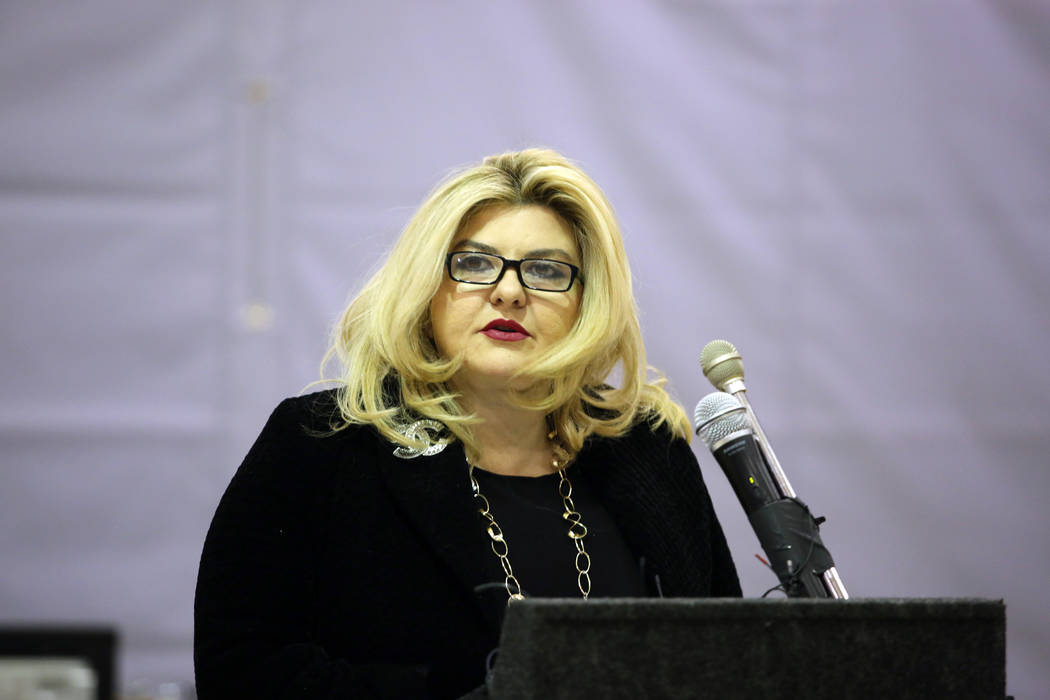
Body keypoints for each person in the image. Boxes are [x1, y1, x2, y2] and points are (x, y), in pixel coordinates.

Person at [194, 148, 741, 699]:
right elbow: (242, 671)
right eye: (475, 263)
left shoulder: (645, 449)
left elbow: (729, 658)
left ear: (586, 301)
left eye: (547, 270)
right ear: (428, 287)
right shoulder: (321, 444)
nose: (508, 291)